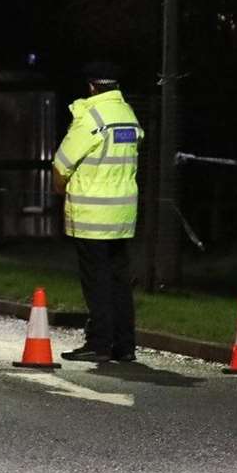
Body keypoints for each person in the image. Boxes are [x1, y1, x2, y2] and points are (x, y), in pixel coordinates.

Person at [52, 63, 143, 363]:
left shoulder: (90, 117)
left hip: (92, 215)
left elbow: (61, 164)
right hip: (122, 214)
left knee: (97, 281)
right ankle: (125, 345)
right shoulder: (127, 115)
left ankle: (98, 344)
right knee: (119, 279)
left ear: (92, 86)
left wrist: (61, 188)